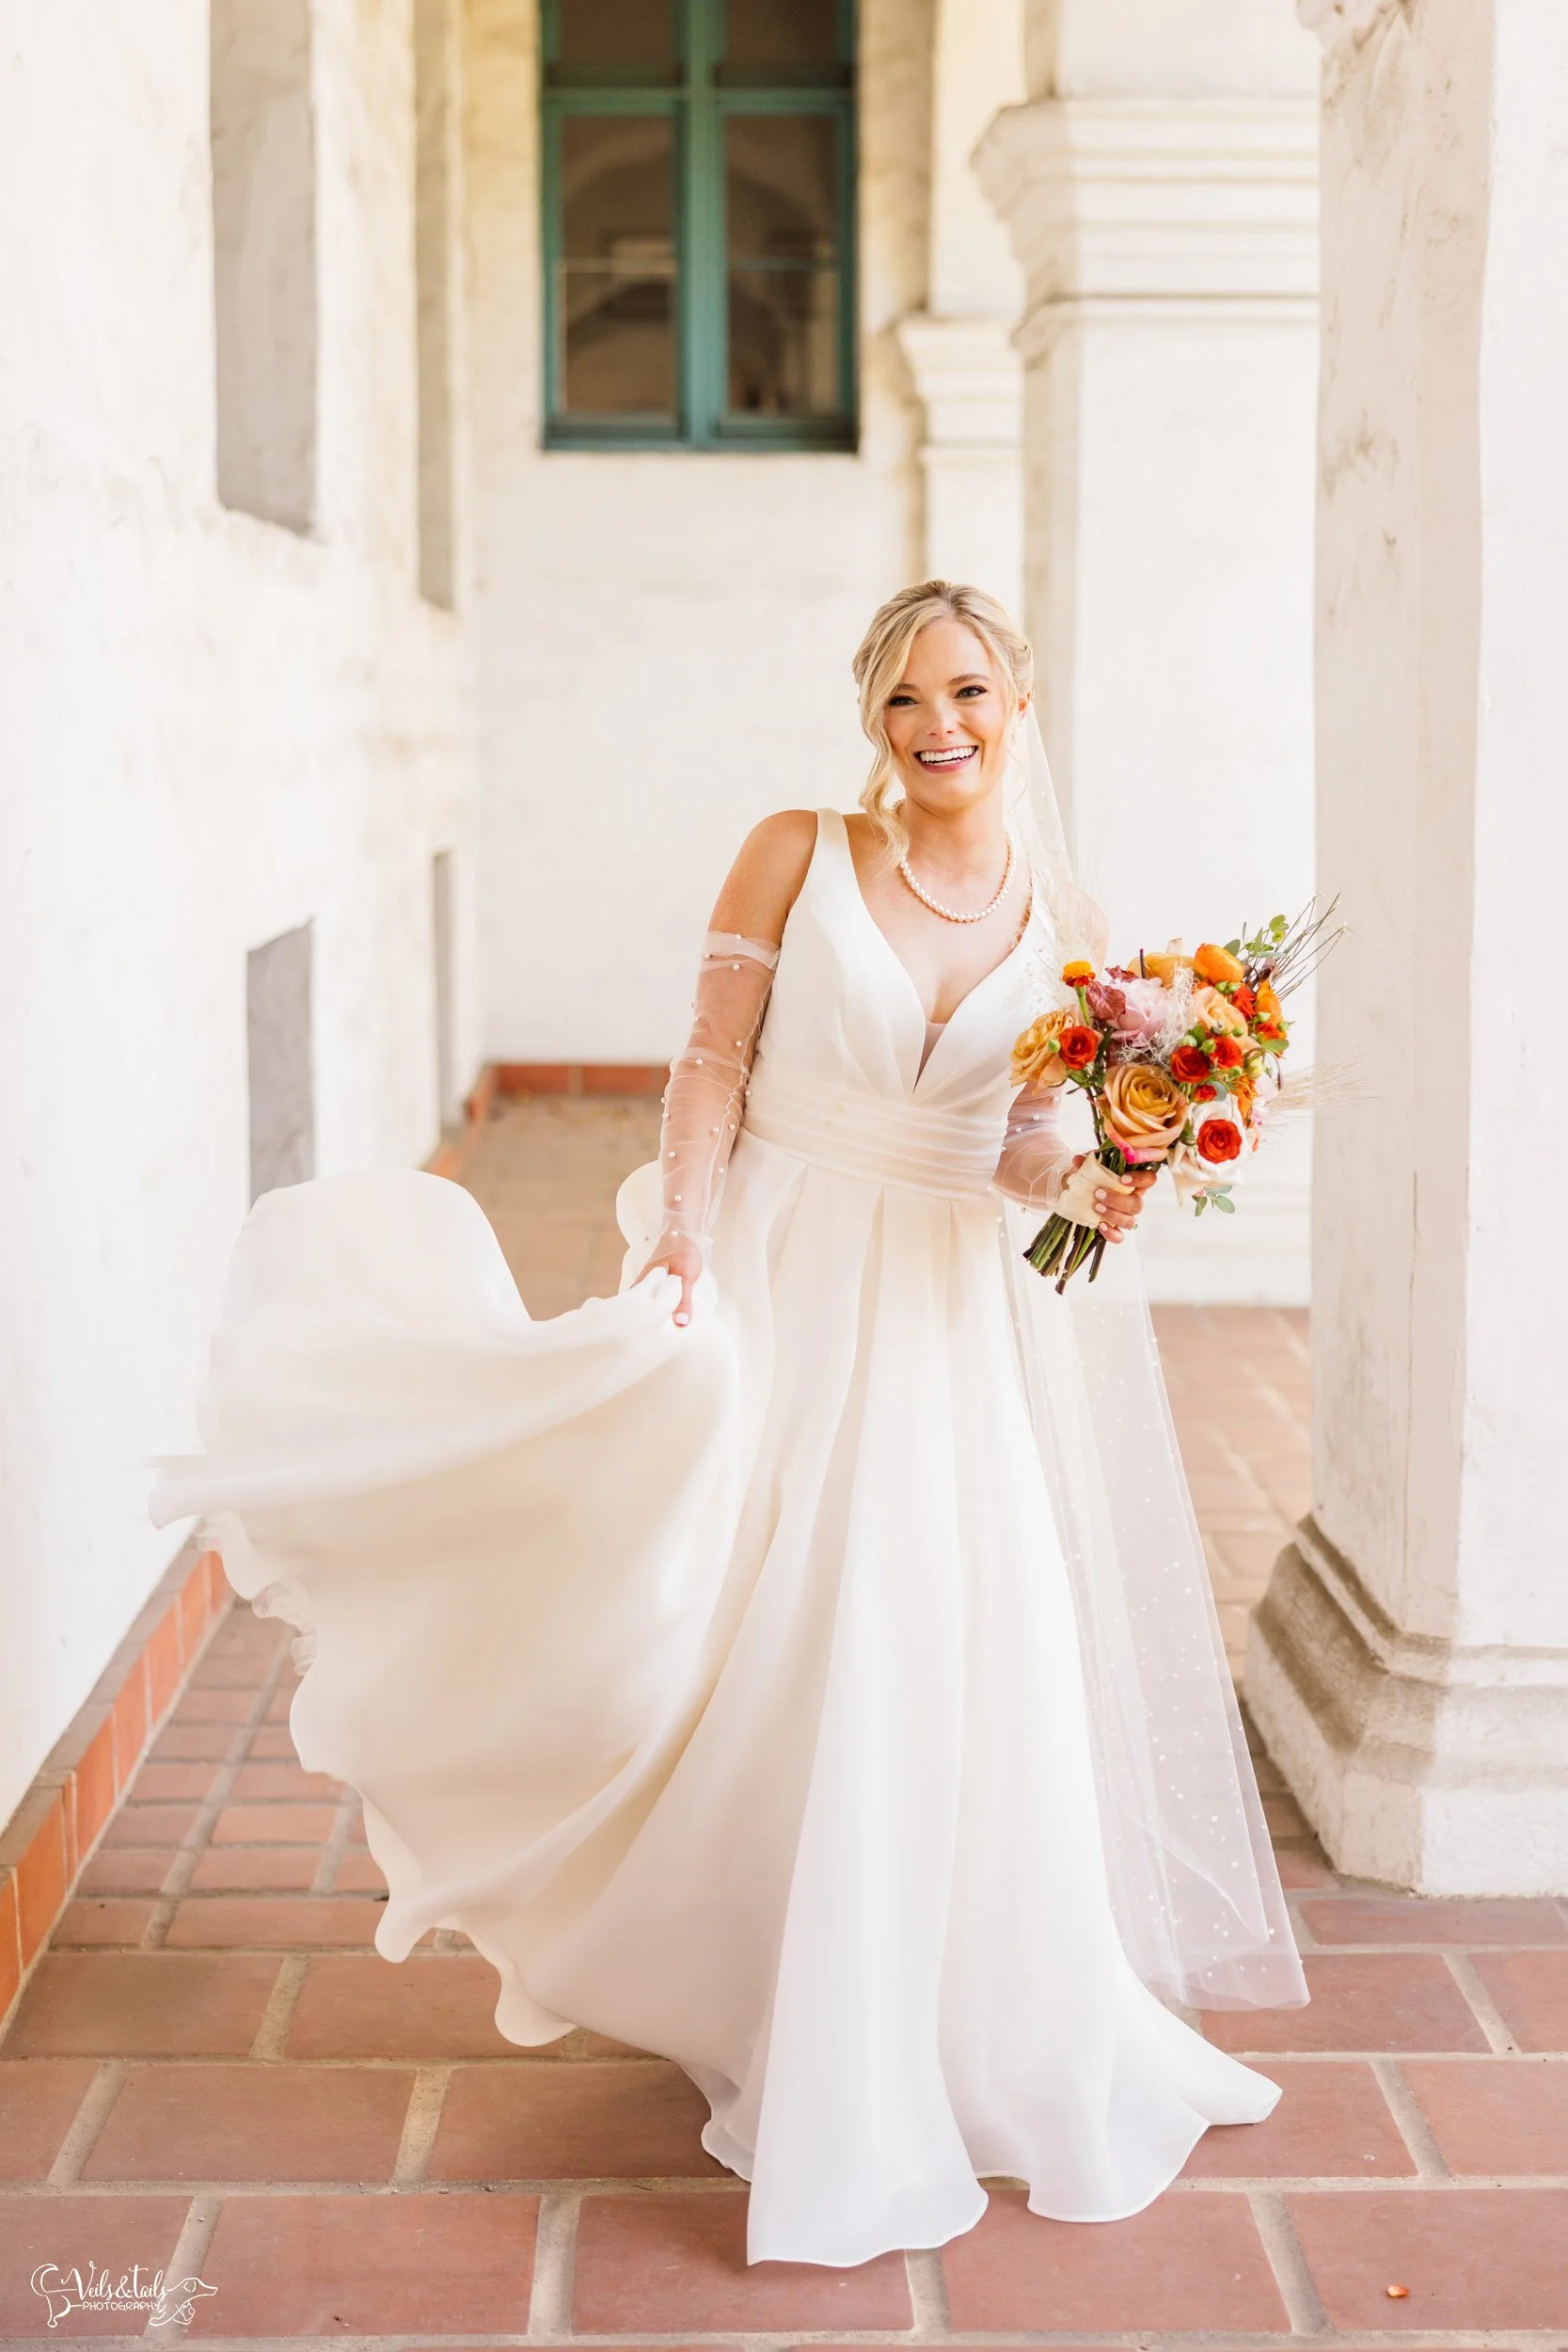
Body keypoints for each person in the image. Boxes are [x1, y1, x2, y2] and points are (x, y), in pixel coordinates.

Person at [151, 580, 1305, 2271]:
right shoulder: (795, 849)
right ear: (872, 715)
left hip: (936, 1321)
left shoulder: (1074, 921)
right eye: (908, 699)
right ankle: (733, 1961)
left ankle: (908, 2003)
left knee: (918, 1639)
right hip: (773, 1262)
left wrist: (1113, 1173)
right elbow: (709, 1059)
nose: (941, 726)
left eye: (970, 692)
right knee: (727, 1618)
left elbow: (1022, 1151)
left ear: (1020, 701)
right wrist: (684, 1235)